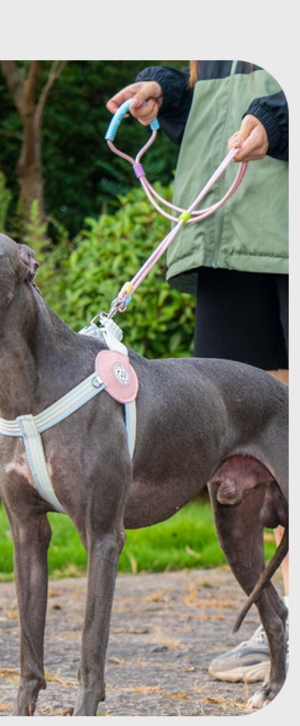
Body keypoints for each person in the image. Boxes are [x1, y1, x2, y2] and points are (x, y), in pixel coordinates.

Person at [107, 61, 288, 685]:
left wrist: (279, 116)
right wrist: (173, 93)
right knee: (247, 449)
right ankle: (281, 629)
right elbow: (220, 92)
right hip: (225, 234)